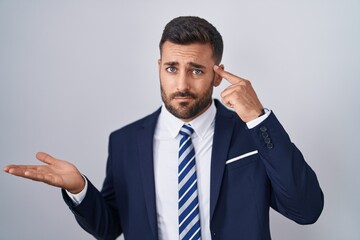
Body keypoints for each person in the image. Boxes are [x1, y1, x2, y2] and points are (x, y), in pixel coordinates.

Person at [3, 16, 323, 240]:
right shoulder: (125, 142)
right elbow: (110, 227)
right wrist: (79, 189)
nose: (181, 84)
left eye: (196, 70)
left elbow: (306, 210)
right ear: (159, 68)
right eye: (172, 68)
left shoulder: (250, 136)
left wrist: (258, 118)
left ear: (216, 74)